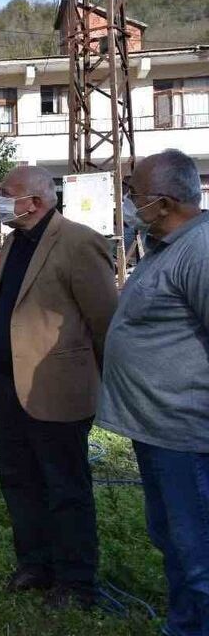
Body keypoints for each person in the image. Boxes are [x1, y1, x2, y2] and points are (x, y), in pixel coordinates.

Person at [0, 166, 117, 609]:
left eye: (7, 194)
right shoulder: (12, 242)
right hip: (9, 385)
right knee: (18, 480)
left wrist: (105, 383)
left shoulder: (78, 242)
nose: (0, 201)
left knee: (65, 487)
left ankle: (77, 582)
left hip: (57, 388)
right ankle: (35, 564)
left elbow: (105, 321)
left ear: (35, 202)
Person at [99, 149, 209, 636]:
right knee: (174, 542)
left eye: (134, 194)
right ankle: (182, 625)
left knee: (198, 551)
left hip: (186, 436)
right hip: (158, 432)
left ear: (164, 203)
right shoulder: (164, 246)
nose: (128, 202)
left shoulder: (201, 250)